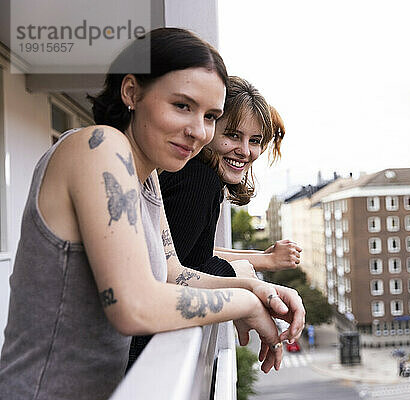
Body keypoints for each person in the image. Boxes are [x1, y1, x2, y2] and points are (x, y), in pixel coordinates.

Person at [0, 28, 304, 400]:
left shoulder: (147, 179)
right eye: (182, 106)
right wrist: (241, 304)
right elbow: (134, 306)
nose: (198, 131)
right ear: (131, 91)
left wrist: (257, 289)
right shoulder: (99, 146)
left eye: (210, 116)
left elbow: (173, 273)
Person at [158, 77, 302, 279]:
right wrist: (238, 273)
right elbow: (170, 274)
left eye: (254, 140)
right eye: (233, 135)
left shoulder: (198, 176)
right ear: (207, 129)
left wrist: (263, 259)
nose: (245, 151)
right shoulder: (198, 180)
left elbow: (195, 254)